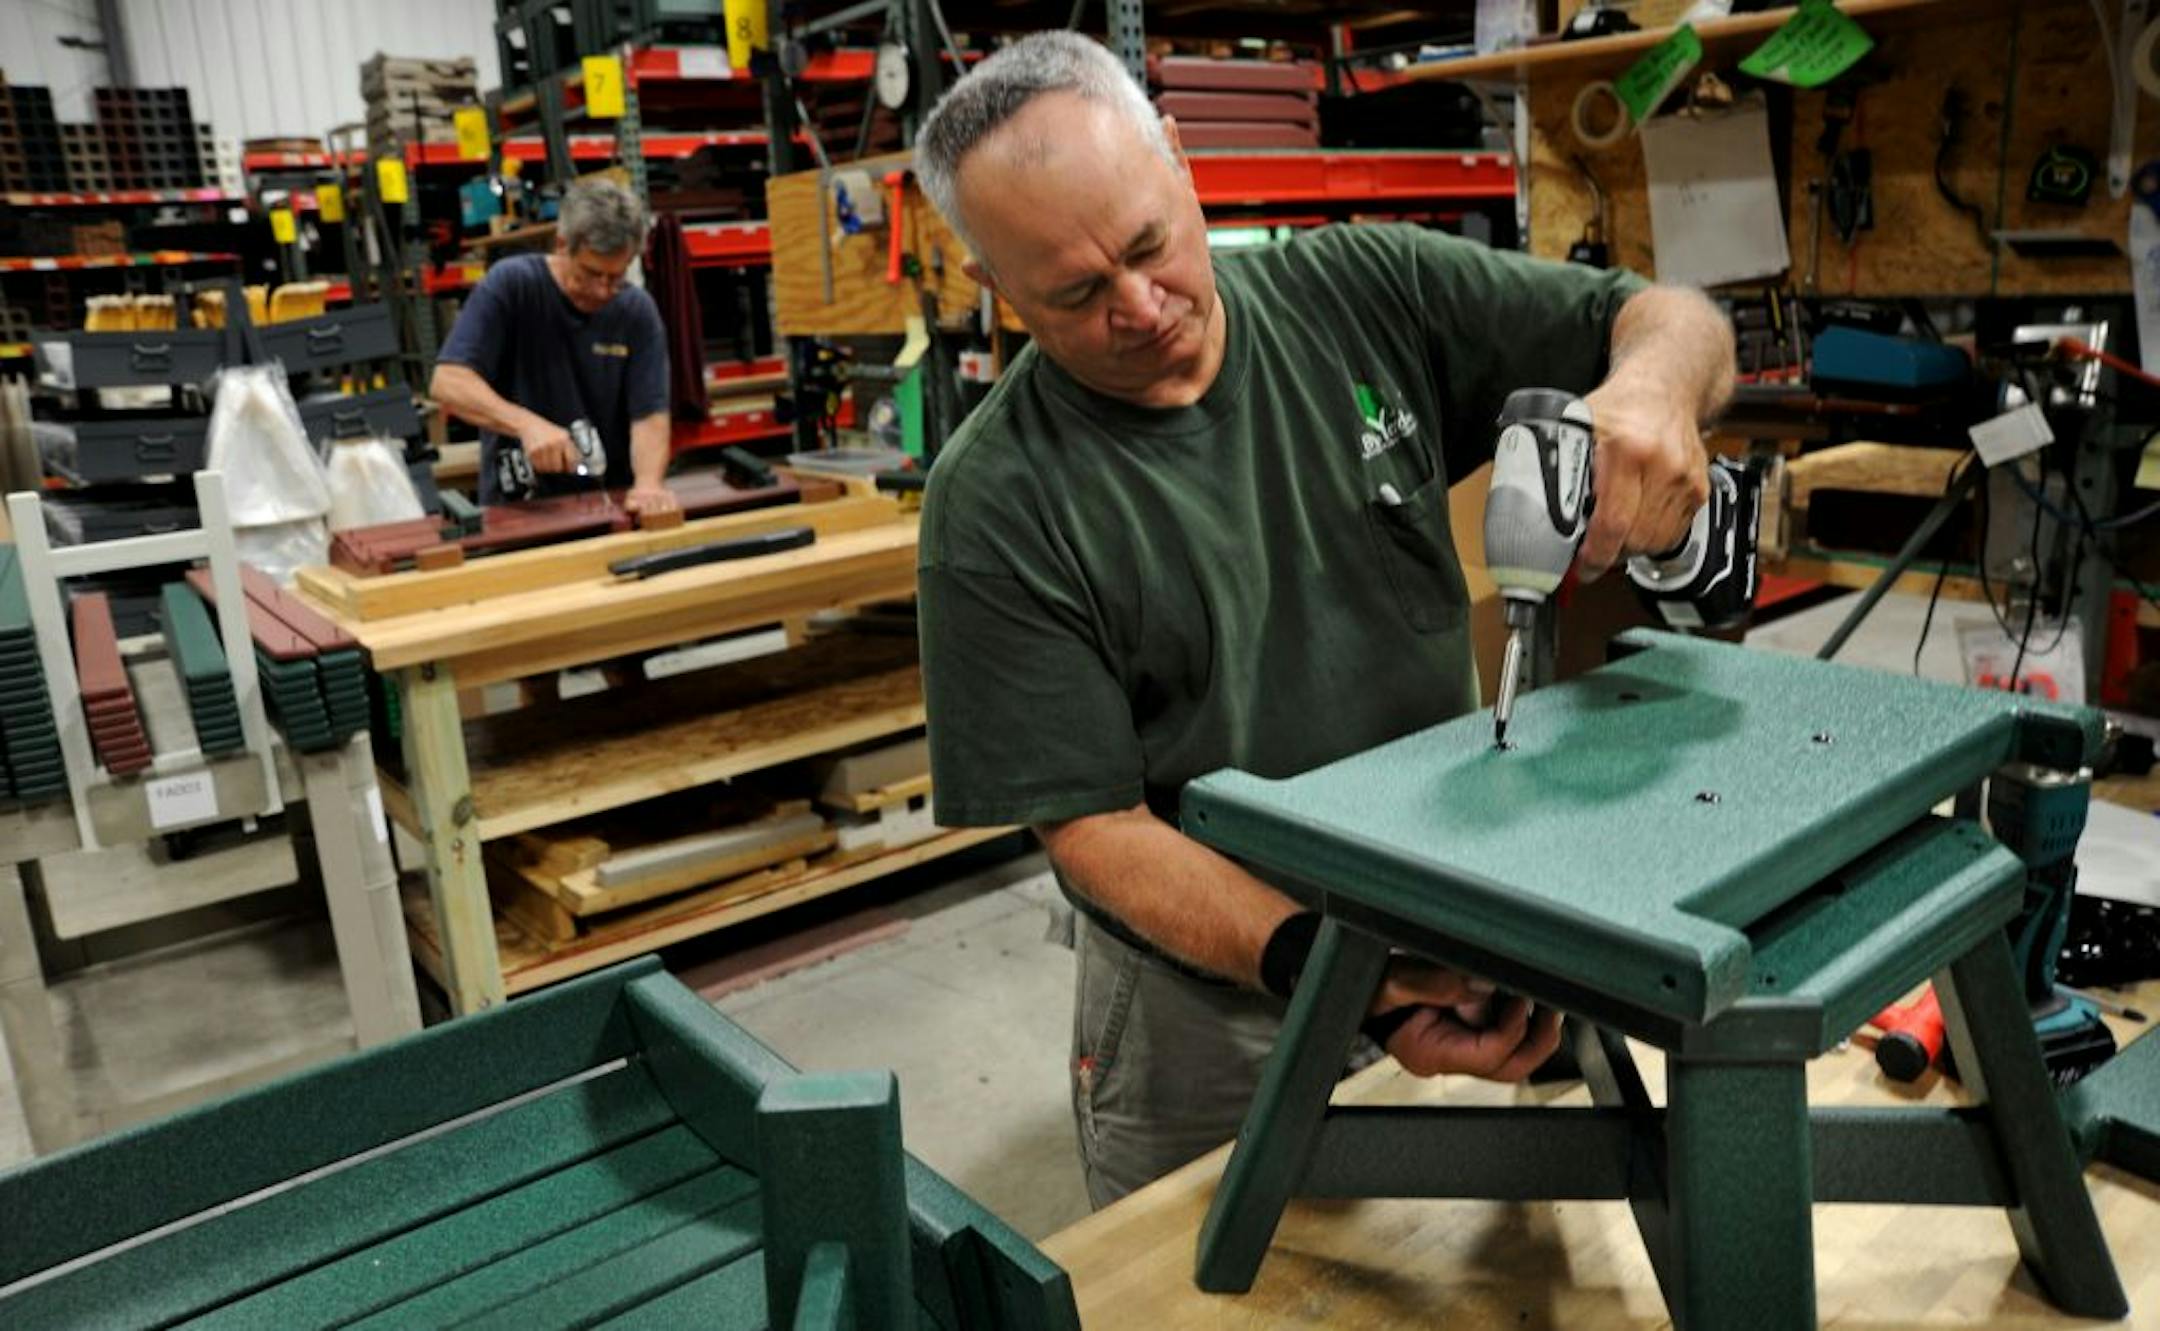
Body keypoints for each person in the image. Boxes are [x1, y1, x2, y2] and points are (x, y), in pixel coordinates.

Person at [912, 32, 1737, 1208]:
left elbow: (1674, 318)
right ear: (996, 288)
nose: (1143, 308)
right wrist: (1343, 975)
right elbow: (1095, 828)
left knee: (1475, 1249)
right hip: (1216, 985)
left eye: (1150, 245)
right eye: (1078, 293)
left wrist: (1651, 389)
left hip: (1454, 899)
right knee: (1208, 1276)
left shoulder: (1366, 293)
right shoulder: (995, 503)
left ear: (1184, 161)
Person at [431, 176, 678, 513]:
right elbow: (448, 382)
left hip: (609, 507)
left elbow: (649, 415)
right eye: (591, 274)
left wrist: (648, 485)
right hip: (518, 511)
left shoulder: (636, 311)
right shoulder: (513, 285)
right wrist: (525, 424)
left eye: (616, 277)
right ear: (562, 245)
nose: (603, 290)